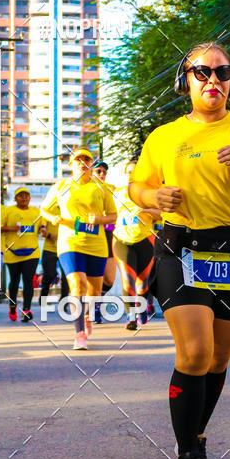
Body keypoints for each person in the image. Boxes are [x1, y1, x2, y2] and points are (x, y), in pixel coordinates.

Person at [129, 41, 230, 459]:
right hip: (181, 251)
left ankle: (195, 438)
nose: (212, 79)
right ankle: (186, 456)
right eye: (201, 72)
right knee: (194, 353)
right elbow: (137, 186)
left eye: (222, 72)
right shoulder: (163, 136)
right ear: (185, 82)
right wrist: (153, 199)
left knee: (217, 358)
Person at [40, 147, 116, 350]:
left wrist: (100, 219)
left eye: (87, 160)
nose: (82, 163)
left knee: (95, 291)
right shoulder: (62, 186)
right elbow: (44, 209)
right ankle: (79, 333)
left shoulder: (101, 188)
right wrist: (52, 217)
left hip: (96, 243)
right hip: (69, 242)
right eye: (78, 160)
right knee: (77, 283)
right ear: (71, 164)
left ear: (91, 164)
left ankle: (88, 314)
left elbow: (113, 215)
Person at [112, 159, 161, 330]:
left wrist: (147, 211)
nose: (131, 174)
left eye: (135, 171)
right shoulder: (116, 193)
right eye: (128, 171)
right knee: (128, 281)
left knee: (143, 284)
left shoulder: (149, 194)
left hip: (146, 240)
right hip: (122, 240)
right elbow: (108, 213)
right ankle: (131, 317)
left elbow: (163, 214)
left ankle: (143, 307)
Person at [1, 187, 42, 322]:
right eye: (20, 196)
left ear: (30, 198)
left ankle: (26, 309)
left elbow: (42, 225)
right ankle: (12, 306)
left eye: (26, 196)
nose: (24, 198)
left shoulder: (36, 211)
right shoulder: (8, 211)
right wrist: (11, 228)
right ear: (15, 198)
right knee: (14, 281)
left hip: (32, 252)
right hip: (12, 253)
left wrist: (43, 230)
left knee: (28, 280)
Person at [93, 160, 116, 324]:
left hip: (109, 235)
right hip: (91, 234)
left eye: (104, 172)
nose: (102, 174)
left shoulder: (111, 189)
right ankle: (93, 308)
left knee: (109, 279)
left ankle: (96, 300)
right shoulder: (84, 189)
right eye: (98, 171)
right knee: (92, 276)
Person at [39, 217, 70, 303]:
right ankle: (43, 298)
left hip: (66, 248)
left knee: (66, 276)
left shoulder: (71, 206)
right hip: (50, 249)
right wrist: (48, 235)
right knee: (49, 275)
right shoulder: (50, 207)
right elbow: (42, 229)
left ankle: (64, 302)